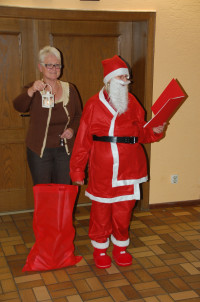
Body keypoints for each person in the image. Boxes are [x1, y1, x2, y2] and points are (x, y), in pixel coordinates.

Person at [70, 55, 166, 269]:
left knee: (124, 210)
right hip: (102, 168)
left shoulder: (132, 103)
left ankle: (121, 247)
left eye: (127, 77)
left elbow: (142, 133)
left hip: (130, 168)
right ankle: (100, 248)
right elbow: (83, 139)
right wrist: (77, 170)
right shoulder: (94, 104)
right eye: (121, 76)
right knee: (101, 211)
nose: (125, 80)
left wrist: (156, 131)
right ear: (109, 80)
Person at [13, 46, 82, 185]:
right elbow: (19, 106)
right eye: (49, 65)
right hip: (40, 151)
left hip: (65, 150)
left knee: (63, 191)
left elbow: (79, 116)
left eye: (57, 65)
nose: (53, 68)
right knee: (43, 192)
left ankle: (62, 209)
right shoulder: (33, 88)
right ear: (40, 67)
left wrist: (71, 129)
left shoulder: (70, 89)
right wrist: (32, 90)